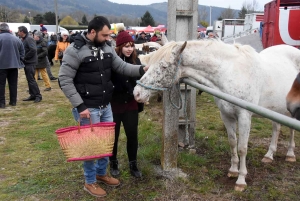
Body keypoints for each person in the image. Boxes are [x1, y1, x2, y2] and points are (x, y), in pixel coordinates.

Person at [58, 16, 148, 198]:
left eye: (109, 35)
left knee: (106, 143)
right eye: (105, 35)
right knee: (92, 147)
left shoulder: (107, 47)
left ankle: (101, 173)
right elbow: (64, 80)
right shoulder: (75, 51)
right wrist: (80, 105)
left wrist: (142, 69)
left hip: (106, 106)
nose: (109, 39)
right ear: (93, 32)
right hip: (88, 108)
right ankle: (89, 182)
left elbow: (121, 66)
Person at [109, 28, 144, 178]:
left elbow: (141, 81)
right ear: (119, 47)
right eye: (126, 46)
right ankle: (113, 162)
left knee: (132, 135)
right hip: (115, 104)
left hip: (131, 104)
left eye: (131, 45)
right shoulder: (111, 61)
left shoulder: (137, 61)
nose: (129, 49)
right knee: (113, 137)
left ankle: (133, 164)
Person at [0, 23, 25, 108]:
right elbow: (22, 52)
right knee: (13, 84)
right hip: (14, 65)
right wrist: (19, 60)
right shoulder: (16, 39)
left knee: (1, 85)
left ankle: (2, 103)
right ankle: (13, 101)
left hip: (1, 66)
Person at [17, 26, 42, 103]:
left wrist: (25, 57)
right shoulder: (24, 39)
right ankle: (32, 95)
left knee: (31, 80)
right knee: (29, 79)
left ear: (22, 32)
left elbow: (33, 50)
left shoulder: (29, 39)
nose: (18, 33)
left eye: (18, 31)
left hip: (30, 62)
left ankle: (38, 95)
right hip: (27, 62)